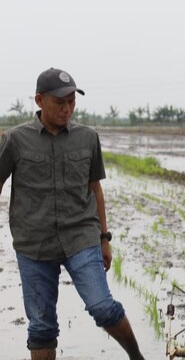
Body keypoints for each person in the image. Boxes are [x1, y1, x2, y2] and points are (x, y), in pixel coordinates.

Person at [0, 68, 145, 360]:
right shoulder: (14, 139)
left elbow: (96, 190)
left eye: (71, 102)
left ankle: (136, 357)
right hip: (34, 244)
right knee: (41, 327)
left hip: (81, 237)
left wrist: (104, 238)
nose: (67, 109)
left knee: (102, 306)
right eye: (59, 102)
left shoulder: (88, 138)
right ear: (40, 100)